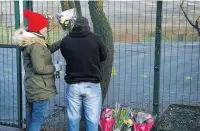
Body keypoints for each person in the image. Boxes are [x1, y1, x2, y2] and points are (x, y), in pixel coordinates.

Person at [13, 9, 62, 131]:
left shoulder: (34, 43)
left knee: (32, 118)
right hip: (39, 89)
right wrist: (55, 68)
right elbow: (39, 68)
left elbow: (45, 52)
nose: (46, 29)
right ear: (38, 29)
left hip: (33, 86)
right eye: (44, 26)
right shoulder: (36, 46)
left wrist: (62, 42)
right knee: (37, 120)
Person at [60, 16, 107, 131]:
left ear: (74, 26)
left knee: (73, 119)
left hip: (73, 85)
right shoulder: (96, 39)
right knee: (92, 119)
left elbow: (65, 55)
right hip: (92, 85)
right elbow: (104, 56)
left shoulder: (66, 40)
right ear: (88, 26)